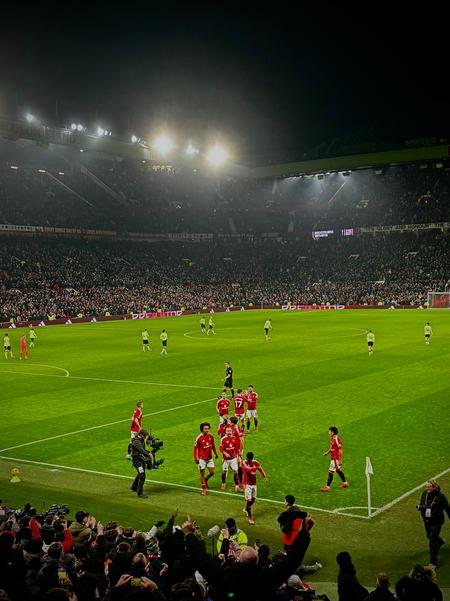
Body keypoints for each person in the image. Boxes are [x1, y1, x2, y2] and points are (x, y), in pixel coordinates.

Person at [417, 479, 450, 566]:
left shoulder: (440, 497)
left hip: (436, 522)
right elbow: (423, 504)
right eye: (426, 486)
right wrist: (421, 507)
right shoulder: (424, 494)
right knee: (429, 536)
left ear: (434, 487)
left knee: (432, 541)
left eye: (429, 487)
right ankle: (439, 542)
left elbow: (448, 509)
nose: (427, 488)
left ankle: (433, 562)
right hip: (427, 521)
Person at [242, 451, 268, 525]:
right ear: (247, 458)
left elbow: (260, 469)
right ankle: (250, 518)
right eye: (249, 459)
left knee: (253, 500)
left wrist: (264, 476)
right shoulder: (244, 463)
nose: (250, 460)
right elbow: (247, 469)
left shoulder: (255, 462)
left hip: (254, 484)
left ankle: (246, 509)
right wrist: (255, 468)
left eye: (251, 459)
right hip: (247, 485)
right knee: (249, 501)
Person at [321, 426, 349, 492]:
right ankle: (345, 483)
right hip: (333, 457)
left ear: (333, 432)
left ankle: (327, 487)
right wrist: (327, 453)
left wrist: (340, 460)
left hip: (335, 458)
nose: (328, 432)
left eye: (329, 431)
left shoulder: (336, 439)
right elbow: (332, 448)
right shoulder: (332, 438)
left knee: (331, 471)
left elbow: (340, 450)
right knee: (338, 470)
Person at [193, 422, 218, 496]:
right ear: (202, 429)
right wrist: (195, 458)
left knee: (212, 472)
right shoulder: (199, 438)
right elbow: (195, 449)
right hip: (202, 459)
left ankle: (205, 479)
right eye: (205, 429)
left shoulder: (211, 436)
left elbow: (213, 445)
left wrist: (215, 453)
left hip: (209, 458)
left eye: (208, 428)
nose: (207, 430)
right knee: (202, 473)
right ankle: (204, 488)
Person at [130, 429, 152, 497]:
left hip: (141, 459)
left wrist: (149, 452)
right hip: (137, 461)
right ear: (142, 435)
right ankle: (140, 493)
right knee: (142, 475)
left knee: (141, 473)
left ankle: (134, 487)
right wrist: (148, 454)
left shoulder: (140, 440)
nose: (145, 439)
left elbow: (143, 450)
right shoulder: (136, 442)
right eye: (145, 437)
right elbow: (141, 450)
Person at [219, 426, 241, 492]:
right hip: (225, 459)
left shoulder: (234, 438)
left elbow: (236, 448)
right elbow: (220, 448)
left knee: (235, 471)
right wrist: (224, 453)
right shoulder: (223, 439)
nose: (229, 432)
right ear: (225, 432)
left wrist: (238, 456)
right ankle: (223, 484)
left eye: (230, 431)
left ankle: (237, 486)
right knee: (224, 471)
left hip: (233, 458)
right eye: (228, 431)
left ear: (232, 431)